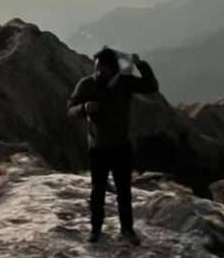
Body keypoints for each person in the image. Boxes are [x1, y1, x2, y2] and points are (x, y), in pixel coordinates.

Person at [67, 47, 159, 245]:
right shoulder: (87, 84)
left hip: (121, 146)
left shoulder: (124, 83)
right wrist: (83, 108)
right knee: (97, 190)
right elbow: (70, 110)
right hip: (98, 147)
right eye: (96, 68)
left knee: (124, 191)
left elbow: (151, 87)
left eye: (102, 69)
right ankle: (96, 230)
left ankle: (127, 230)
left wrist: (140, 65)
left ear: (113, 69)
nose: (98, 72)